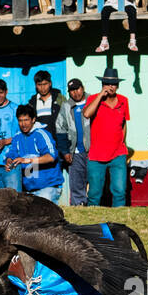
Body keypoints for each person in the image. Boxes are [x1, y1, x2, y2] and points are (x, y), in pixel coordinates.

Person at [83, 68, 130, 207]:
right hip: (97, 155)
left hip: (118, 153)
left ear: (117, 85)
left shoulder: (123, 101)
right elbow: (86, 114)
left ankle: (119, 221)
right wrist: (100, 96)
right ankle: (93, 222)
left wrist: (123, 143)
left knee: (120, 191)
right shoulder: (93, 99)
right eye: (107, 83)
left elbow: (123, 124)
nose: (111, 86)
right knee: (94, 193)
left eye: (114, 84)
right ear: (102, 84)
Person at [5, 103, 64, 202]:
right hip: (29, 189)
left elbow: (51, 157)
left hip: (48, 187)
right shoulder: (17, 137)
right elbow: (12, 153)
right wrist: (9, 161)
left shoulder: (42, 134)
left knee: (44, 215)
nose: (23, 124)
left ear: (33, 119)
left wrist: (28, 160)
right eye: (20, 120)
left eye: (26, 120)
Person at [65, 78, 90, 206]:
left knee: (95, 185)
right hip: (75, 153)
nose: (75, 93)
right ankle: (78, 210)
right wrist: (65, 151)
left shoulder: (93, 101)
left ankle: (95, 209)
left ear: (83, 88)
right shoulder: (66, 106)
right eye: (72, 91)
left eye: (77, 89)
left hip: (93, 151)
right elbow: (60, 129)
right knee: (76, 187)